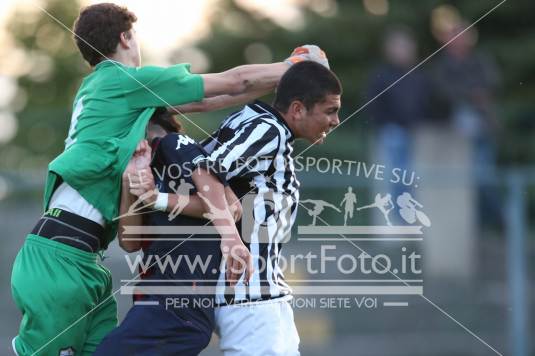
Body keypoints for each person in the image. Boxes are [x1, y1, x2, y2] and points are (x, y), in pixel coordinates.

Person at [10, 2, 329, 355]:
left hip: (83, 258)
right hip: (61, 255)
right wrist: (298, 67)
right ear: (126, 37)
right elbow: (235, 80)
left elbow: (216, 100)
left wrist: (284, 88)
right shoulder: (124, 80)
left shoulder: (105, 94)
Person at [201, 61, 342, 355]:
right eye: (330, 111)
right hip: (250, 298)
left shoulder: (257, 121)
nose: (336, 120)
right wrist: (230, 236)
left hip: (267, 295)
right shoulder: (269, 131)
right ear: (298, 109)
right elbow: (205, 168)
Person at [95, 109, 245, 355]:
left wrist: (156, 198)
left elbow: (232, 207)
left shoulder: (173, 144)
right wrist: (128, 182)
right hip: (157, 302)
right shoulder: (146, 164)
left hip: (178, 307)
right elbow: (130, 242)